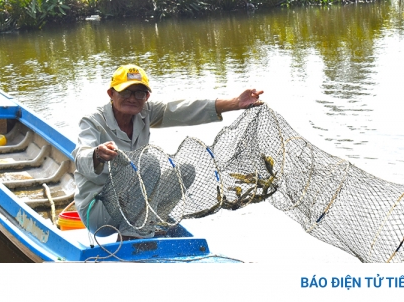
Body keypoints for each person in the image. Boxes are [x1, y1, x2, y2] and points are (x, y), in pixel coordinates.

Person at [72, 64, 263, 239]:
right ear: (111, 93)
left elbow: (183, 110)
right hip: (100, 211)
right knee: (149, 163)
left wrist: (236, 102)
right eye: (125, 92)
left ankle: (150, 224)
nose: (132, 98)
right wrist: (97, 154)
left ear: (146, 97)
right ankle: (132, 236)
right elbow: (80, 157)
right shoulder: (92, 121)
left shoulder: (144, 112)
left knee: (185, 171)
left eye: (139, 93)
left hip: (130, 203)